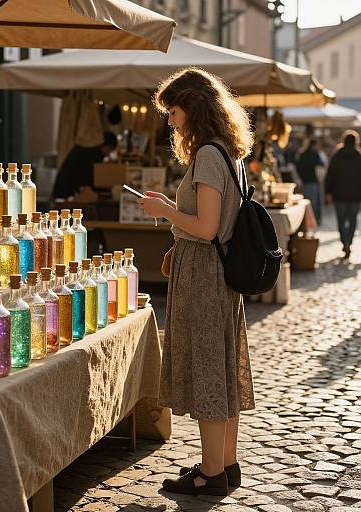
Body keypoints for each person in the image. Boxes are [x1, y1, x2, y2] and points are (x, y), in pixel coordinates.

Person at [138, 67, 255, 496]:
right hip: (219, 273)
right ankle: (225, 462)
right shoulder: (228, 151)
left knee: (208, 369)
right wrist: (172, 205)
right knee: (220, 368)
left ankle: (210, 473)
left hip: (205, 272)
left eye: (173, 109)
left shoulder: (207, 154)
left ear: (194, 107)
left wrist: (167, 212)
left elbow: (206, 228)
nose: (170, 119)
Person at [325, 130, 361, 259]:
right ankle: (349, 242)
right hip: (356, 195)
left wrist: (328, 192)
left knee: (341, 220)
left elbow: (330, 176)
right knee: (352, 220)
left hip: (339, 194)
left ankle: (344, 241)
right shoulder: (359, 155)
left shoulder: (337, 156)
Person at [52, 131, 118, 199]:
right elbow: (91, 179)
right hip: (67, 192)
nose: (108, 154)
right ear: (105, 145)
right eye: (109, 150)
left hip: (64, 190)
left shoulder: (88, 149)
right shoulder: (92, 154)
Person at [296, 139, 325, 224]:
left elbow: (298, 167)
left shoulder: (303, 154)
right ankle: (315, 220)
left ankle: (306, 221)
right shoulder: (316, 154)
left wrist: (302, 177)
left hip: (306, 181)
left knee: (307, 201)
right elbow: (321, 164)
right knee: (314, 202)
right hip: (314, 180)